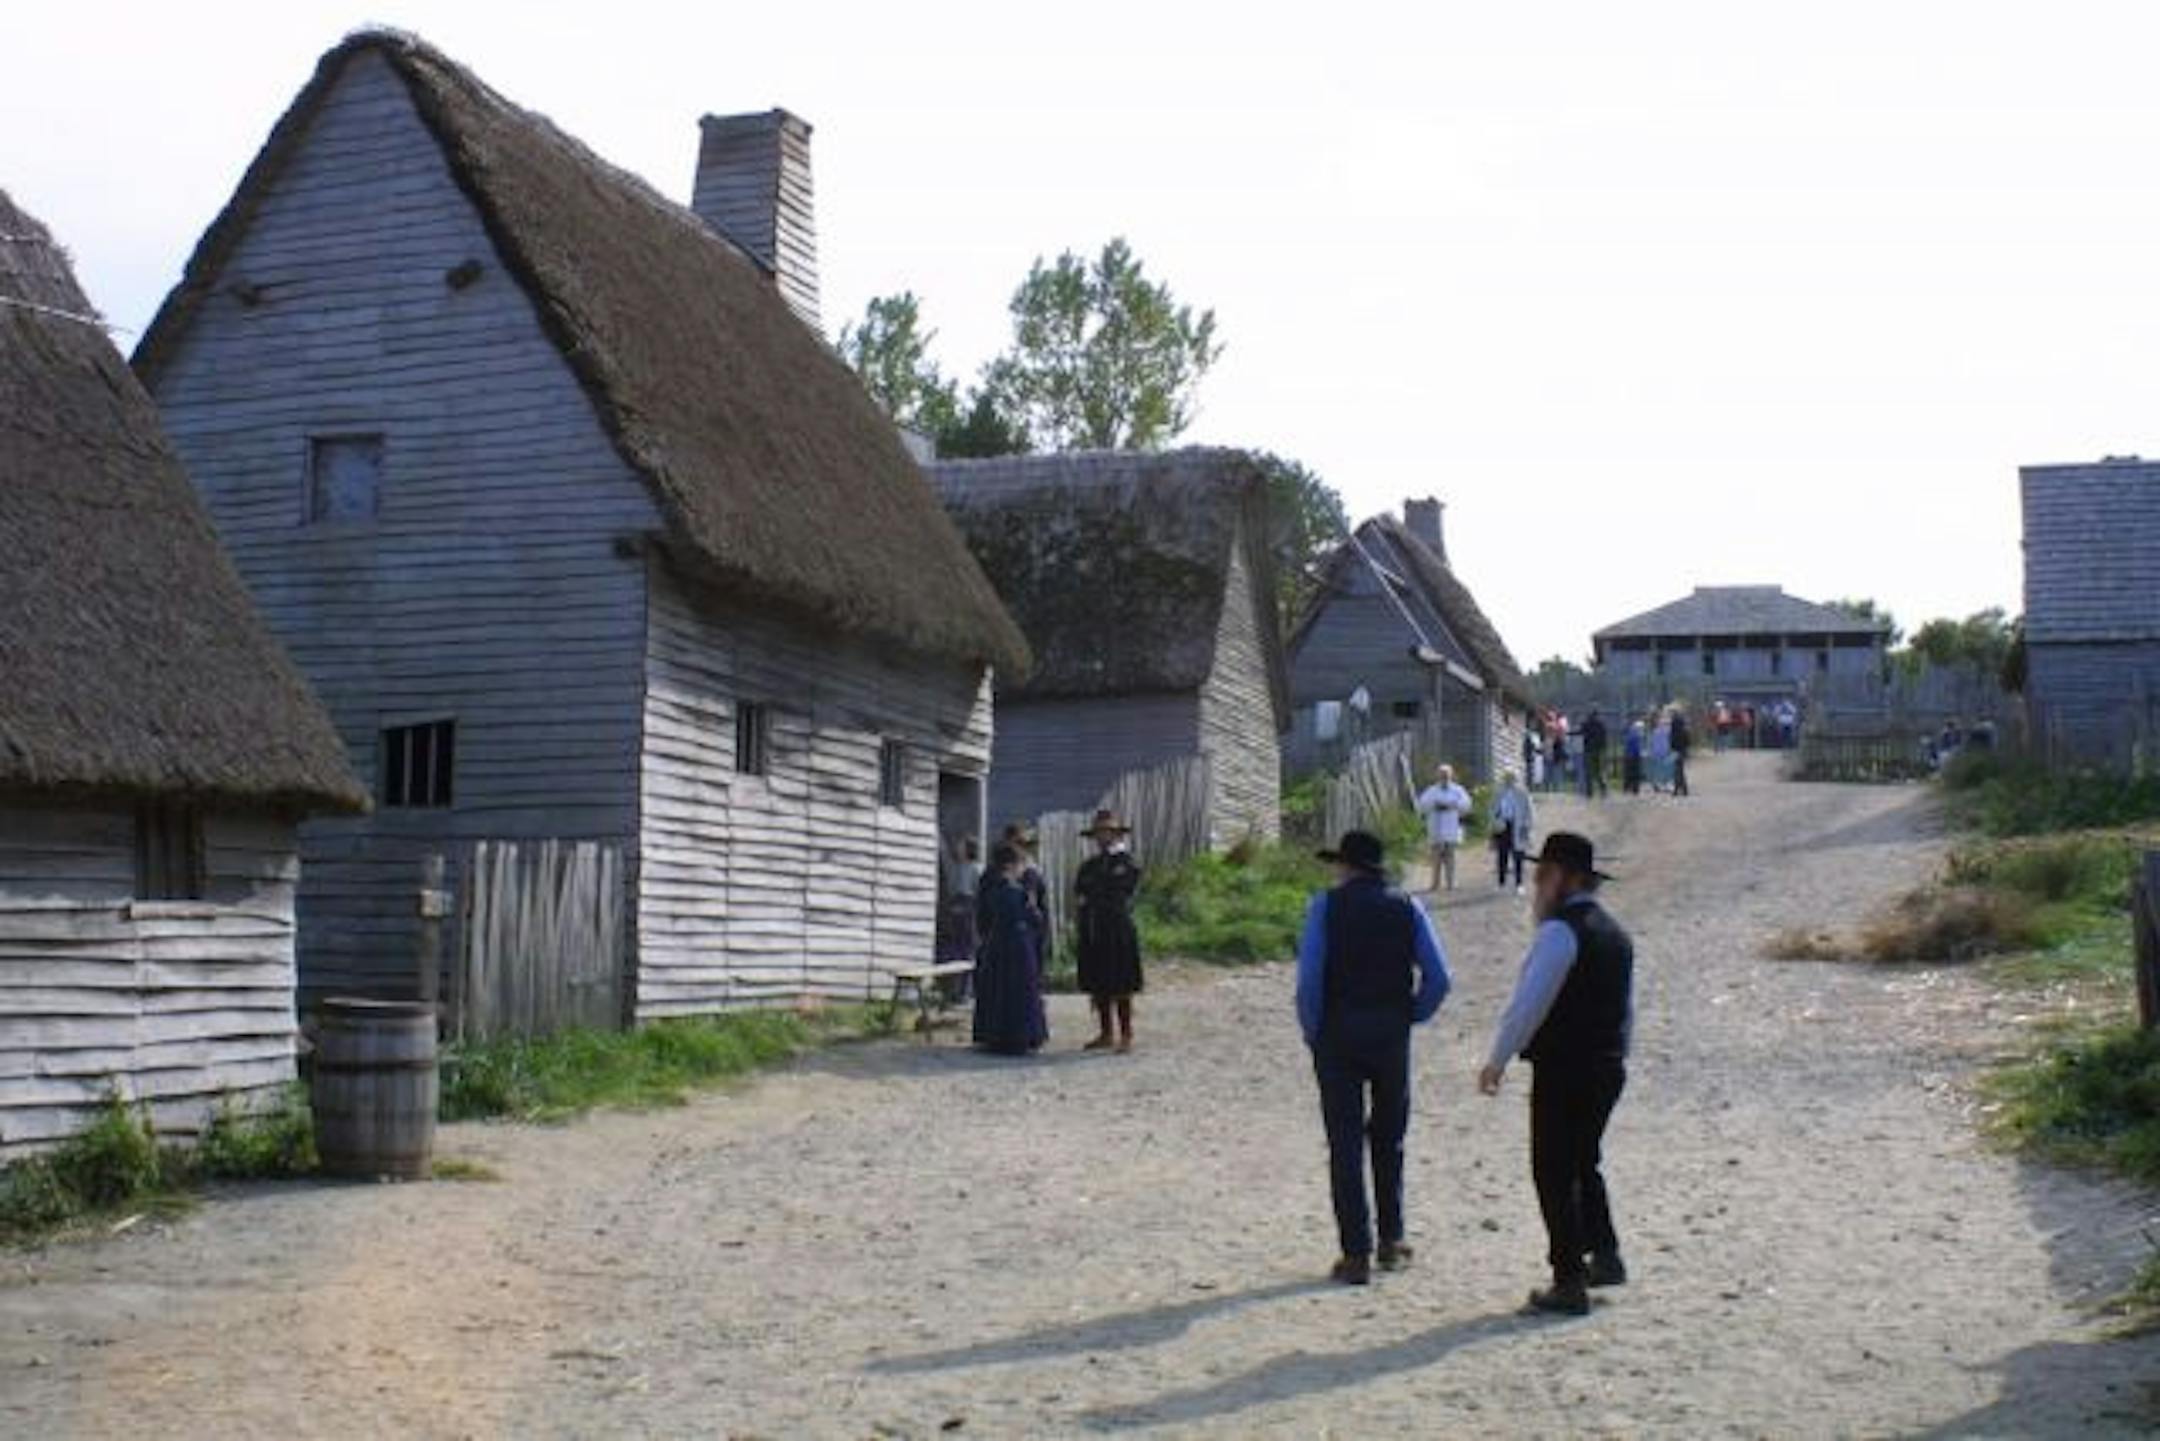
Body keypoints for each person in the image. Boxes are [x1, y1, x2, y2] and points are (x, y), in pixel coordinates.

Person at [1478, 832, 1634, 1317]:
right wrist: (1618, 1053)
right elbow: (1627, 1011)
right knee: (1585, 1160)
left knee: (1553, 1170)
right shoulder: (1615, 934)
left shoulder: (1559, 933)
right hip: (1608, 1066)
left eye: (1543, 875)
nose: (1538, 885)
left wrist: (1497, 1058)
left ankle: (1568, 1279)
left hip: (1565, 1067)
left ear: (1566, 879)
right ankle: (1605, 1255)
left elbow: (1529, 1003)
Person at [1295, 830, 1452, 1285]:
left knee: (1344, 1145)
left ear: (1346, 866)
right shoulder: (1408, 907)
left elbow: (1309, 982)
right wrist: (1410, 1015)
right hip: (1389, 1034)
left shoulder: (1325, 907)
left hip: (1338, 1035)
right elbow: (1440, 978)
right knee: (1389, 1138)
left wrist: (1314, 1031)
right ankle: (1392, 1238)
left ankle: (1356, 1252)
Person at [1074, 810, 1145, 1052]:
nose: (1102, 836)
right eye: (1099, 832)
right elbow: (1081, 889)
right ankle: (1106, 1033)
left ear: (1115, 834)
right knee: (1099, 981)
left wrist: (1097, 893)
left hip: (1117, 927)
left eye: (1106, 832)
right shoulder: (1091, 865)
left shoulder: (1127, 862)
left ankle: (1126, 1034)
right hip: (1095, 927)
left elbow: (1121, 890)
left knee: (1121, 982)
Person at [972, 844, 1048, 1054]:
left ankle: (996, 1035)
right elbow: (1033, 917)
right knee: (1019, 991)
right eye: (1019, 864)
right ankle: (1020, 1036)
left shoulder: (992, 888)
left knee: (998, 990)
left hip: (997, 945)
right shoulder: (1016, 892)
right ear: (1011, 866)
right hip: (1018, 945)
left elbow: (984, 917)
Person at [1415, 764, 1473, 892]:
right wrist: (1434, 805)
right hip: (1435, 826)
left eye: (1446, 775)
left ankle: (1450, 883)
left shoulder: (1457, 790)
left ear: (1451, 776)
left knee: (1450, 856)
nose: (1444, 777)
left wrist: (1453, 805)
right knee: (1435, 856)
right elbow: (1422, 805)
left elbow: (1467, 804)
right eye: (1441, 775)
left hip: (1450, 826)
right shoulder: (1432, 790)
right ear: (1437, 776)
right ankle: (1435, 883)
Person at [1491, 768, 1535, 893]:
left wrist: (1527, 825)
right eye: (1507, 777)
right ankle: (1501, 883)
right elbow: (1493, 810)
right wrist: (1495, 823)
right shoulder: (1499, 792)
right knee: (1502, 855)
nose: (1509, 780)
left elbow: (1530, 810)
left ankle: (1519, 884)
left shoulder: (1522, 792)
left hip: (1518, 826)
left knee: (1518, 856)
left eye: (1512, 777)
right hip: (1502, 826)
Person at [1580, 711, 1610, 798]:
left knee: (1588, 772)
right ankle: (1603, 789)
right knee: (1598, 772)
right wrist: (1604, 750)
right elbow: (1604, 739)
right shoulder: (1601, 725)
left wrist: (1569, 733)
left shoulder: (1586, 724)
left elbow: (1580, 732)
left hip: (1589, 750)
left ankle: (1590, 792)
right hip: (1598, 751)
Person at [1669, 709, 1692, 798]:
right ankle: (1683, 789)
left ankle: (1677, 789)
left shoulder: (1674, 731)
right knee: (1680, 770)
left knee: (1677, 771)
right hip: (1682, 751)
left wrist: (1672, 749)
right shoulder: (1684, 730)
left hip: (1676, 751)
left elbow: (1671, 742)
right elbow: (1688, 742)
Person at [1621, 720, 1645, 796]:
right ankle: (1635, 789)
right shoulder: (1636, 733)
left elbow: (1626, 744)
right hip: (1634, 756)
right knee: (1635, 773)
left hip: (1628, 755)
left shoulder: (1630, 733)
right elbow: (1636, 747)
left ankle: (1626, 788)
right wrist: (1639, 754)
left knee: (1628, 772)